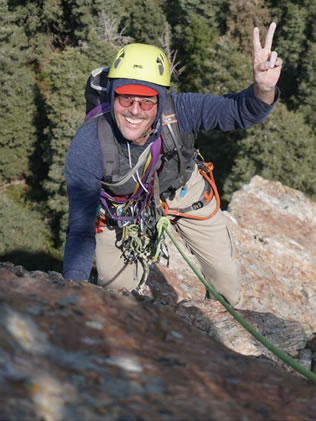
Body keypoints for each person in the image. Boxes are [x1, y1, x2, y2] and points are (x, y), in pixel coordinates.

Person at [63, 22, 282, 307]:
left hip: (183, 191)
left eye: (147, 102)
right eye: (126, 98)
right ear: (112, 95)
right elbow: (80, 229)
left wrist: (263, 89)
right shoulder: (89, 143)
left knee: (226, 282)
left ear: (162, 100)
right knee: (119, 300)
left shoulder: (181, 111)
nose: (135, 111)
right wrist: (70, 292)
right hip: (122, 209)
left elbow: (240, 112)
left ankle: (219, 338)